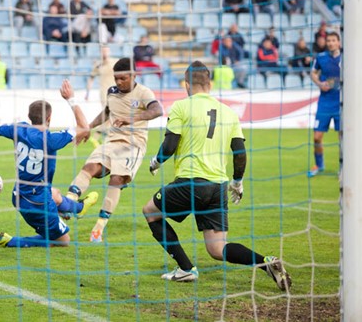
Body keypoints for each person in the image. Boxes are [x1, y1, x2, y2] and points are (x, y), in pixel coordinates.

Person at [143, 61, 292, 290]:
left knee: (150, 212)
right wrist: (237, 182)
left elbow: (170, 144)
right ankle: (266, 263)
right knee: (216, 248)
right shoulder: (228, 112)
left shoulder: (181, 107)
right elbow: (239, 152)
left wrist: (156, 161)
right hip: (217, 187)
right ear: (210, 84)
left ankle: (186, 268)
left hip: (190, 182)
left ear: (186, 84)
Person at [64, 58, 164, 242]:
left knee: (116, 179)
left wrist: (131, 118)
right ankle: (67, 204)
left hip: (133, 145)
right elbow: (107, 112)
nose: (118, 82)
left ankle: (98, 229)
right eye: (116, 78)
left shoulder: (143, 92)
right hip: (111, 141)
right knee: (89, 168)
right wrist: (89, 128)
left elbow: (158, 110)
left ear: (134, 75)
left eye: (123, 78)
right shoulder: (112, 91)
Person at [0, 80, 99, 248]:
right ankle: (11, 241)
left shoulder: (18, 129)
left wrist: (8, 128)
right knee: (63, 241)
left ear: (29, 117)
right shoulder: (51, 139)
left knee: (54, 193)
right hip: (37, 203)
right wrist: (70, 98)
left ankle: (79, 208)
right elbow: (84, 127)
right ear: (49, 118)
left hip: (19, 194)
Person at [308, 32, 341, 177]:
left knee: (343, 137)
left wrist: (335, 83)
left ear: (339, 42)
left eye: (334, 40)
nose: (331, 43)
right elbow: (313, 73)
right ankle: (319, 165)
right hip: (325, 103)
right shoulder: (321, 57)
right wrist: (320, 84)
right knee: (316, 137)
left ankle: (344, 168)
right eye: (329, 40)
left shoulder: (347, 57)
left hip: (341, 103)